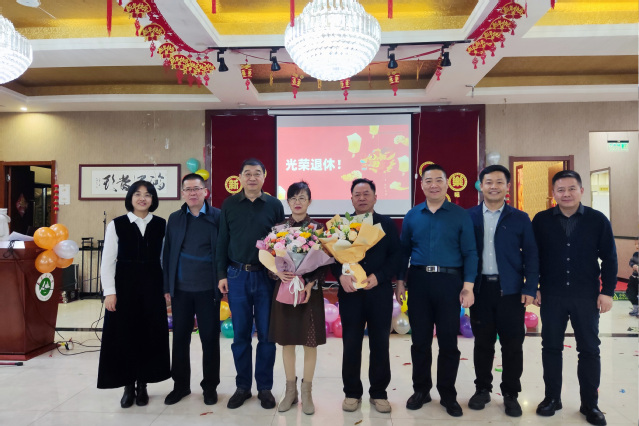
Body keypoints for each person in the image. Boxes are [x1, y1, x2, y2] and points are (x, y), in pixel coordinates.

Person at [532, 170, 617, 426]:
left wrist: (607, 291)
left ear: (581, 190)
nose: (566, 194)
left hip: (586, 296)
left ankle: (590, 404)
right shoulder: (541, 220)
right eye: (560, 189)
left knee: (589, 349)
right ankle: (552, 398)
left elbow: (610, 258)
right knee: (551, 348)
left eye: (571, 188)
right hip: (551, 294)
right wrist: (534, 287)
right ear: (553, 194)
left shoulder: (597, 220)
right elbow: (532, 257)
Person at [396, 164, 477, 418]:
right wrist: (400, 281)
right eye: (428, 180)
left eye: (438, 180)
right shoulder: (412, 215)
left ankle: (448, 393)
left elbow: (470, 252)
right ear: (421, 184)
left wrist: (468, 286)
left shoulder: (460, 215)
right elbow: (404, 252)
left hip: (449, 282)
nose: (434, 185)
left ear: (446, 183)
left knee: (448, 341)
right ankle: (421, 390)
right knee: (420, 340)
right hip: (419, 281)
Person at [466, 165, 539, 417]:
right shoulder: (469, 216)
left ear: (507, 187)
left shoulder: (520, 218)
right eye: (488, 182)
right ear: (481, 186)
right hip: (480, 290)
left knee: (512, 345)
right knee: (482, 343)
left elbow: (531, 254)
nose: (493, 186)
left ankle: (510, 393)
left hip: (511, 291)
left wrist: (530, 287)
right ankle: (482, 389)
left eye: (499, 182)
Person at [217, 158, 285, 409]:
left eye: (257, 173)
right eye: (247, 173)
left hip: (267, 277)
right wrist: (221, 274)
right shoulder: (229, 204)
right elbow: (222, 241)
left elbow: (282, 241)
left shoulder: (274, 205)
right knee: (241, 336)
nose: (252, 177)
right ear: (240, 178)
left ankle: (265, 388)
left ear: (264, 177)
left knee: (267, 336)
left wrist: (282, 271)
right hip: (237, 275)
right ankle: (243, 387)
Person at [330, 178, 401, 414]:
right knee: (351, 343)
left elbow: (396, 256)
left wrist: (380, 276)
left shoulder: (386, 224)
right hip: (350, 293)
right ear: (351, 199)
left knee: (380, 343)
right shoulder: (342, 224)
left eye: (366, 194)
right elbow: (331, 257)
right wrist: (340, 275)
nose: (362, 198)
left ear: (375, 198)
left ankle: (379, 393)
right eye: (357, 194)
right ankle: (352, 392)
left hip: (379, 292)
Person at [98, 180, 170, 408]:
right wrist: (110, 292)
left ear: (153, 199)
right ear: (130, 198)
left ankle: (143, 384)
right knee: (125, 336)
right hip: (124, 288)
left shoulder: (161, 224)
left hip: (152, 287)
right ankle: (128, 386)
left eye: (147, 195)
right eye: (137, 194)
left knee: (148, 335)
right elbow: (108, 261)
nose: (142, 198)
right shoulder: (117, 224)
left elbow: (164, 260)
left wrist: (166, 289)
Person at [162, 173, 221, 406]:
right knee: (180, 339)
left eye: (197, 188)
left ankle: (210, 386)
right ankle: (181, 386)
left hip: (208, 289)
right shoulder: (175, 218)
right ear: (182, 193)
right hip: (181, 290)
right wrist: (167, 286)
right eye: (188, 189)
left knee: (210, 339)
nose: (192, 193)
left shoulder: (217, 217)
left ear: (205, 191)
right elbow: (167, 253)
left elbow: (223, 251)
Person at [269, 181, 327, 415]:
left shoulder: (318, 228)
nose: (297, 202)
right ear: (288, 202)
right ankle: (290, 391)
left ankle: (307, 392)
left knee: (309, 342)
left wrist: (311, 282)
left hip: (309, 292)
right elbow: (270, 259)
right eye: (293, 198)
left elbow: (325, 263)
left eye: (302, 197)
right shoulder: (278, 229)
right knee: (287, 341)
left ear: (309, 201)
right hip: (286, 290)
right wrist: (277, 273)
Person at [627, 239, 638, 316]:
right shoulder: (635, 254)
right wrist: (633, 265)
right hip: (634, 277)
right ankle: (636, 308)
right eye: (636, 244)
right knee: (630, 293)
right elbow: (631, 261)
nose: (637, 245)